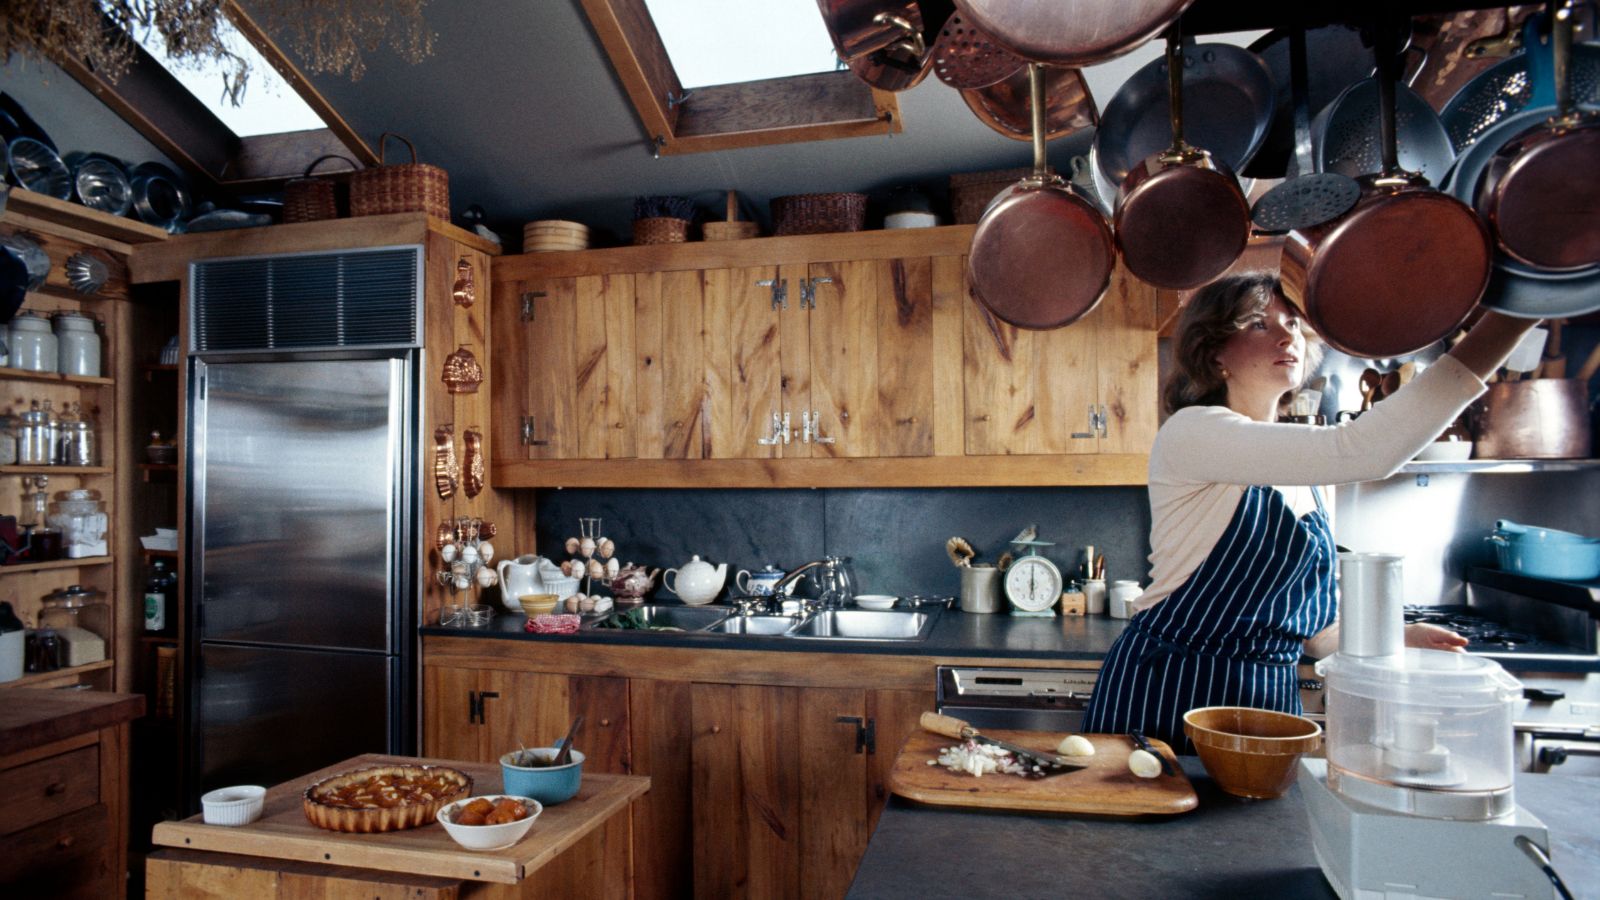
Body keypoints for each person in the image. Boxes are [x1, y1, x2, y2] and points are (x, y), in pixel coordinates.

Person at [1080, 273, 1540, 751]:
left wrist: (1396, 635)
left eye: (1294, 324)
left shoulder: (1310, 470)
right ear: (1214, 353)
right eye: (1259, 325)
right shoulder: (1195, 433)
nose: (1288, 337)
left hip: (1268, 704)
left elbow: (1317, 631)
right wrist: (1517, 314)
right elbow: (1369, 450)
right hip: (1172, 688)